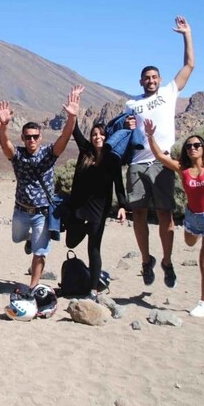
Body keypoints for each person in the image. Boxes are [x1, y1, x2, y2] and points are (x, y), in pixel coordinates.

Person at [144, 88, 204, 317]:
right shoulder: (183, 169)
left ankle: (203, 303)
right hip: (192, 217)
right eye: (188, 146)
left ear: (203, 148)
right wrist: (150, 136)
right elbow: (161, 157)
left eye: (197, 145)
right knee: (190, 242)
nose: (192, 148)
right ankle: (194, 231)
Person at [124, 15, 195, 289]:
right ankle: (146, 260)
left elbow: (189, 65)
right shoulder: (132, 103)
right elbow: (123, 132)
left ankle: (167, 261)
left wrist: (186, 34)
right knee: (138, 214)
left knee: (165, 215)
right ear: (141, 81)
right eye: (147, 78)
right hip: (138, 164)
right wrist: (126, 124)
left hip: (163, 161)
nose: (151, 80)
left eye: (154, 77)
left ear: (160, 79)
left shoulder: (169, 92)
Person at [0, 86, 82, 291]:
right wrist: (3, 127)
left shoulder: (48, 154)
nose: (32, 140)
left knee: (40, 251)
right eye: (28, 137)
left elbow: (64, 137)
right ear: (23, 138)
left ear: (40, 137)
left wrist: (71, 118)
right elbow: (5, 144)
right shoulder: (17, 155)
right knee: (17, 238)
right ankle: (28, 239)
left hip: (42, 213)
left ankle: (33, 286)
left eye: (35, 136)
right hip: (20, 210)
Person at [65, 119, 128, 302]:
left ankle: (93, 289)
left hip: (99, 209)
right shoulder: (86, 152)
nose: (97, 137)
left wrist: (122, 206)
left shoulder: (112, 158)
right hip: (79, 207)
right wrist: (73, 115)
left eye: (101, 134)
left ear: (106, 137)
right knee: (71, 242)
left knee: (94, 248)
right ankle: (86, 228)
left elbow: (119, 184)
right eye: (94, 134)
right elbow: (75, 132)